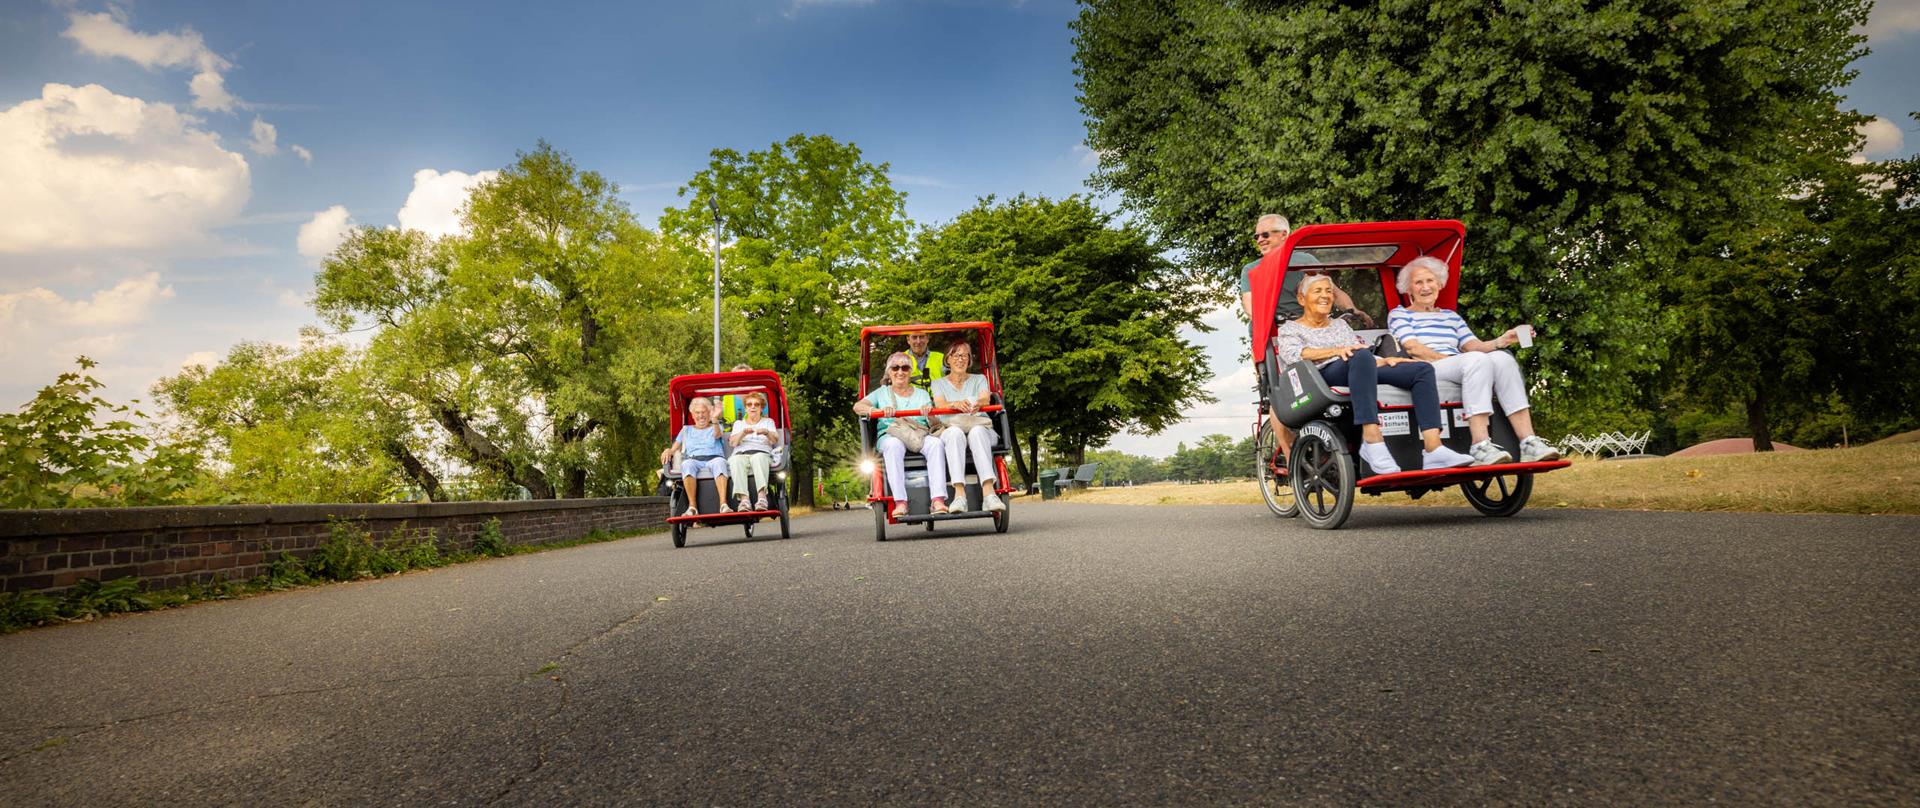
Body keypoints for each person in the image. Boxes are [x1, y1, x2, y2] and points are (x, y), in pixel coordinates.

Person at [1275, 274, 1474, 474]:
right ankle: (1371, 439)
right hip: (1319, 376)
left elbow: (1363, 353)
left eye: (1329, 291)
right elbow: (1295, 355)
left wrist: (1386, 360)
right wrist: (1336, 351)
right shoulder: (1290, 329)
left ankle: (1434, 448)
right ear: (1302, 299)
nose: (1325, 296)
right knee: (1359, 356)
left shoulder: (1340, 325)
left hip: (1357, 366)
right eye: (1318, 291)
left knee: (1421, 369)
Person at [1388, 256, 1563, 465]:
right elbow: (1413, 348)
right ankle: (1480, 445)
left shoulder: (1450, 316)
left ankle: (1528, 441)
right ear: (1408, 288)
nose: (1425, 287)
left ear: (1439, 284)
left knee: (1503, 360)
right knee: (1476, 361)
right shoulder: (1399, 314)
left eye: (1430, 281)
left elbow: (1474, 346)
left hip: (1463, 364)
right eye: (1418, 282)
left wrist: (1502, 340)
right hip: (1428, 368)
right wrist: (1461, 361)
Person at [853, 352, 950, 516]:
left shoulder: (922, 394)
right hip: (891, 434)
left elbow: (934, 424)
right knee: (893, 446)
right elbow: (858, 407)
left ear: (910, 371)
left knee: (936, 444)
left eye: (905, 368)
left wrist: (930, 414)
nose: (900, 372)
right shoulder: (881, 392)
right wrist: (878, 411)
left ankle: (938, 500)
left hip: (917, 434)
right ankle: (900, 502)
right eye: (895, 368)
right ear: (889, 372)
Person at [930, 338, 1006, 513]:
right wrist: (955, 404)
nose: (960, 359)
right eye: (955, 355)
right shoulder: (938, 383)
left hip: (979, 425)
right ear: (947, 359)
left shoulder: (979, 379)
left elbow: (985, 398)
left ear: (969, 360)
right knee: (954, 433)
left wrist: (977, 403)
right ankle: (959, 495)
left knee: (977, 431)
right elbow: (940, 404)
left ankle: (989, 494)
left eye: (964, 355)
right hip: (952, 427)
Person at [1238, 213, 1351, 322]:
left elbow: (1334, 292)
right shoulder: (1251, 269)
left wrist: (1353, 310)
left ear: (1283, 234)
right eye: (1256, 237)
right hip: (1272, 335)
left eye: (1265, 235)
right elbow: (1251, 309)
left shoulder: (1305, 260)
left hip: (1310, 329)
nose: (1260, 240)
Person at [659, 397, 731, 516]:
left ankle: (723, 504)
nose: (701, 415)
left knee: (720, 463)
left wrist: (714, 419)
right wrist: (668, 450)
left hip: (714, 458)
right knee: (687, 464)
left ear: (709, 413)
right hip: (694, 460)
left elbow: (717, 435)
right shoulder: (686, 430)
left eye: (704, 412)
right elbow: (674, 448)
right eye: (697, 413)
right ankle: (692, 507)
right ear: (692, 415)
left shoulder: (716, 425)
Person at [726, 391, 783, 510]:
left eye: (756, 404)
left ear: (761, 408)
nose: (753, 407)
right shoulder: (738, 424)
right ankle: (744, 500)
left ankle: (762, 498)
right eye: (749, 404)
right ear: (745, 408)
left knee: (759, 458)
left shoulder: (768, 422)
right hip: (741, 453)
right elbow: (733, 443)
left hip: (761, 452)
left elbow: (774, 440)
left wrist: (767, 432)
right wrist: (742, 433)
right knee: (735, 460)